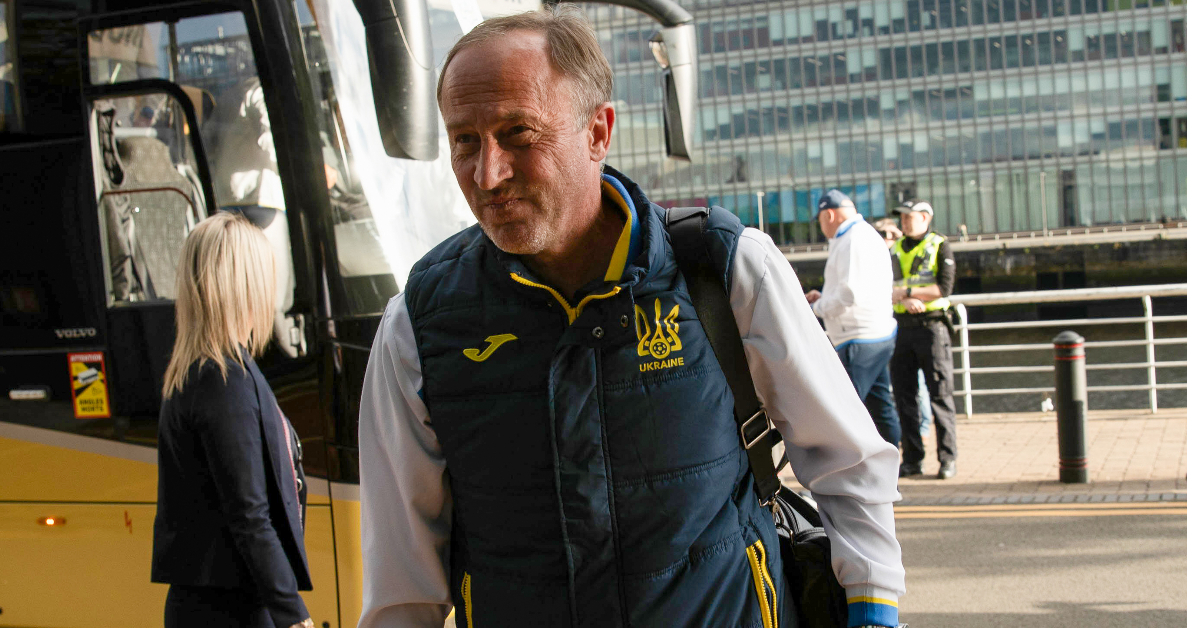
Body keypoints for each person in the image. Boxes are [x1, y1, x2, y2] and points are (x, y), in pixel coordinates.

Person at [357, 7, 905, 628]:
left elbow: (849, 463)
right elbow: (401, 579)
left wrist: (872, 608)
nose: (488, 174)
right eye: (464, 141)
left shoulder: (724, 270)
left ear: (597, 132)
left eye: (518, 134)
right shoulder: (419, 325)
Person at [151, 212, 314, 628]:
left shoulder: (203, 371)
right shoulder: (223, 379)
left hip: (214, 604)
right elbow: (249, 513)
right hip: (233, 610)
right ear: (245, 283)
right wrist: (292, 614)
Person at [805, 191, 900, 447]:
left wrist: (816, 309)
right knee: (879, 406)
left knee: (841, 412)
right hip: (875, 334)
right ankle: (896, 464)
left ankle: (846, 476)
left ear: (830, 214)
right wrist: (823, 296)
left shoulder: (853, 240)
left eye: (820, 220)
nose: (821, 225)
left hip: (858, 339)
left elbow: (850, 293)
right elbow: (854, 286)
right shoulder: (861, 235)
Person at [889, 200, 959, 480]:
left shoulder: (940, 245)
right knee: (905, 397)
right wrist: (909, 297)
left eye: (910, 217)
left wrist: (905, 293)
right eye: (902, 217)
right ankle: (913, 459)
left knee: (939, 395)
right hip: (901, 328)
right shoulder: (893, 249)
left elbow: (943, 286)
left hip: (932, 329)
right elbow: (885, 287)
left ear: (925, 218)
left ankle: (947, 459)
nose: (905, 222)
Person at [873, 218, 933, 438]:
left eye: (887, 235)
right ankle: (910, 433)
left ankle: (923, 427)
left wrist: (903, 298)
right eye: (879, 234)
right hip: (887, 328)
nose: (883, 239)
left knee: (918, 384)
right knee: (900, 386)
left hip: (908, 326)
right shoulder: (880, 258)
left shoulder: (901, 256)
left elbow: (910, 288)